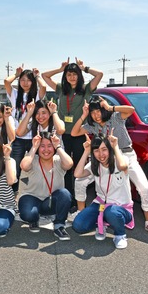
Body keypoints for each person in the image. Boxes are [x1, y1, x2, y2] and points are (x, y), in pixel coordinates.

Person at [70, 96, 148, 234]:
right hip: (103, 157)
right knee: (79, 181)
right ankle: (81, 212)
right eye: (93, 112)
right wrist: (84, 115)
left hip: (125, 154)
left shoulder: (115, 118)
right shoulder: (92, 126)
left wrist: (110, 107)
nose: (96, 115)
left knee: (144, 187)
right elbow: (74, 132)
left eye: (98, 111)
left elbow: (131, 110)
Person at [42, 58, 103, 203]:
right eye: (69, 74)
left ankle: (78, 199)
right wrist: (59, 69)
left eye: (75, 74)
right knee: (65, 167)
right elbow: (44, 76)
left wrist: (84, 68)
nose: (72, 77)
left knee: (78, 166)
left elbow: (99, 74)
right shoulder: (61, 89)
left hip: (79, 134)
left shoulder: (86, 89)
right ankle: (67, 197)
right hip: (63, 135)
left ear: (79, 75)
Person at [71, 134, 134, 249]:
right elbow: (77, 174)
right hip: (100, 205)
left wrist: (115, 146)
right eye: (96, 151)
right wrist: (86, 152)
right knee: (78, 225)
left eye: (104, 149)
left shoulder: (120, 160)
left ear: (110, 149)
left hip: (120, 208)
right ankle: (102, 222)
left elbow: (123, 166)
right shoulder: (95, 165)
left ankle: (120, 234)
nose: (101, 154)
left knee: (112, 212)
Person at [17, 132, 73, 240]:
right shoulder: (32, 159)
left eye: (49, 146)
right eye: (42, 146)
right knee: (29, 214)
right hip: (31, 198)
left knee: (65, 194)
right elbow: (24, 165)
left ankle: (59, 225)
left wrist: (58, 146)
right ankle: (34, 220)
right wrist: (34, 146)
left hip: (50, 201)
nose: (46, 150)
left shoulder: (58, 160)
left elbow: (69, 164)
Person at [4, 65, 47, 192]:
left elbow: (44, 87)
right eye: (22, 80)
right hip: (16, 138)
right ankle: (14, 193)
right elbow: (6, 82)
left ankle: (33, 190)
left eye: (28, 80)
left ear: (33, 82)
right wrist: (17, 74)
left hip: (33, 138)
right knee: (15, 167)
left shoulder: (36, 96)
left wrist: (38, 75)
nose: (25, 83)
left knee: (34, 166)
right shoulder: (15, 94)